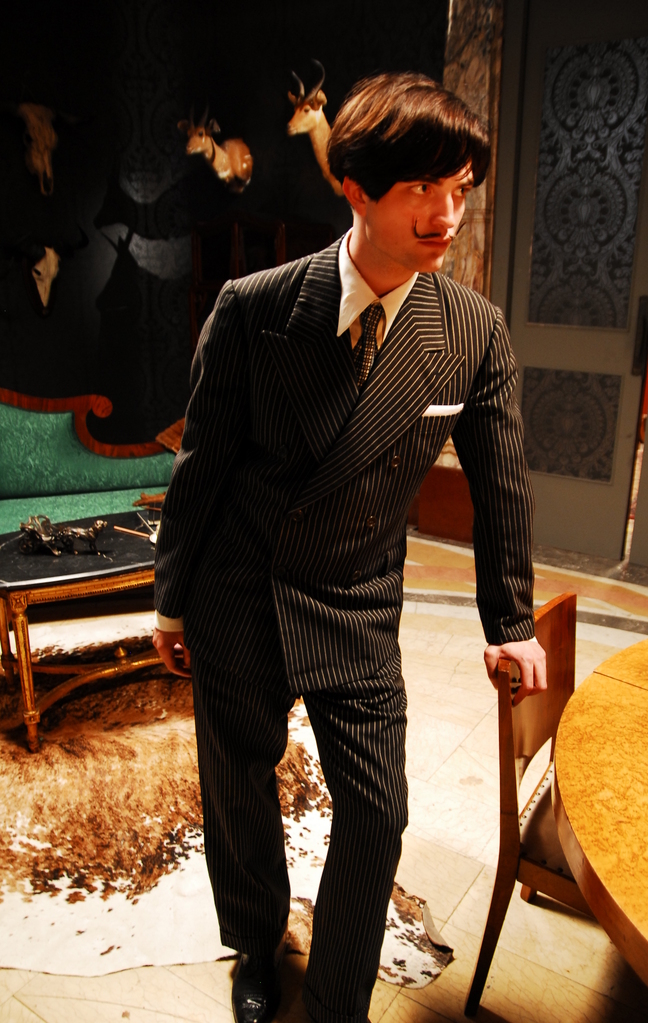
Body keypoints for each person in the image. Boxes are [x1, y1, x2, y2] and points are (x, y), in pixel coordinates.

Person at [153, 71, 546, 1023]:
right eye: (422, 188)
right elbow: (202, 466)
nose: (446, 215)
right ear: (355, 187)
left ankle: (336, 1002)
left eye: (460, 190)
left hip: (357, 598)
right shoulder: (254, 306)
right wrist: (170, 599)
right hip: (241, 590)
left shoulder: (471, 332)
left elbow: (500, 483)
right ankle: (255, 942)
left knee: (377, 810)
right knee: (239, 788)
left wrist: (511, 620)